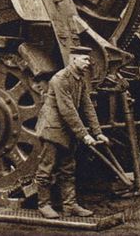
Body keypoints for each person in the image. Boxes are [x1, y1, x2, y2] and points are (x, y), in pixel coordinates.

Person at [34, 49, 109, 218]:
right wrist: (84, 135)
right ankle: (44, 205)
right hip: (52, 129)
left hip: (66, 130)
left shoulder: (79, 79)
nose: (88, 63)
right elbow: (67, 110)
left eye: (88, 59)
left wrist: (97, 132)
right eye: (84, 59)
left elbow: (87, 106)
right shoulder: (60, 79)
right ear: (73, 59)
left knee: (68, 169)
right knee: (46, 169)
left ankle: (70, 206)